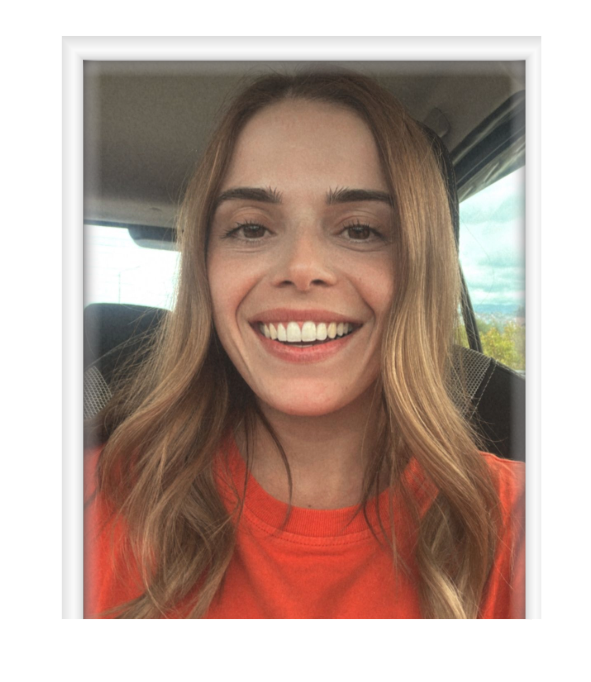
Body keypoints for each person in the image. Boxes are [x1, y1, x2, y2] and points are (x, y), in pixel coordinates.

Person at [85, 69, 525, 619]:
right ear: (204, 270)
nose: (300, 267)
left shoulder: (523, 525)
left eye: (360, 229)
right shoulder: (86, 502)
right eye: (251, 228)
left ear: (421, 266)